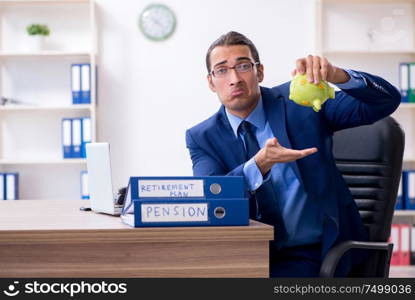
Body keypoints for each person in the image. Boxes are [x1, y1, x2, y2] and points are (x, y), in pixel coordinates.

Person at [185, 31, 400, 277]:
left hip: (318, 252)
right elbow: (213, 196)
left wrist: (337, 76)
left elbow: (385, 101)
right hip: (248, 253)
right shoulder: (202, 137)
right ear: (211, 82)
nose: (234, 78)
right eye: (222, 70)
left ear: (260, 72)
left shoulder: (299, 101)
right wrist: (258, 165)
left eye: (243, 66)